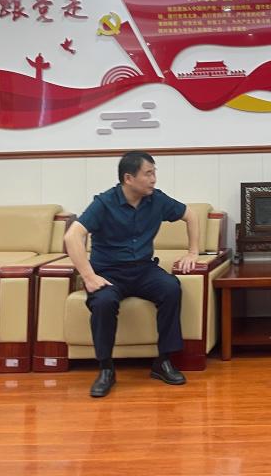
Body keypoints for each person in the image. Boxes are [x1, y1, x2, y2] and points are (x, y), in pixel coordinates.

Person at [64, 150, 201, 398]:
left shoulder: (157, 200)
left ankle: (163, 361)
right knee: (104, 302)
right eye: (148, 174)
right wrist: (89, 276)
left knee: (170, 288)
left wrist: (193, 252)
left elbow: (190, 215)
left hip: (144, 269)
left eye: (154, 173)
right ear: (129, 178)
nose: (153, 179)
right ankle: (106, 368)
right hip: (109, 272)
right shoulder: (104, 203)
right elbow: (72, 236)